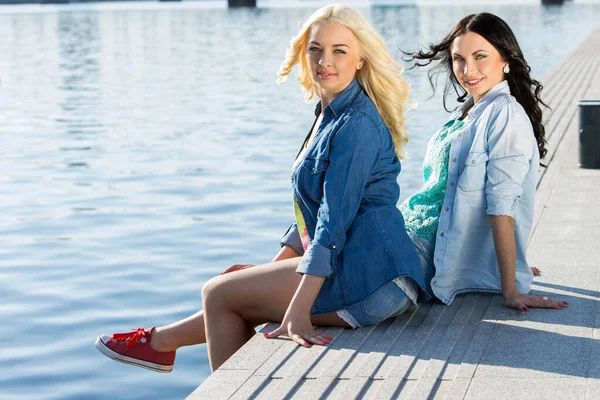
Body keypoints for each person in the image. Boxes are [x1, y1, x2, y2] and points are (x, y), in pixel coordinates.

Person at [95, 4, 429, 374]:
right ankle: (162, 345)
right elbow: (312, 211)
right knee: (229, 285)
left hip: (374, 281)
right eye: (316, 49)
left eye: (339, 51)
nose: (324, 61)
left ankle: (162, 344)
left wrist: (298, 310)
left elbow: (333, 224)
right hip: (361, 265)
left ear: (361, 60)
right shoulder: (329, 114)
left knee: (218, 294)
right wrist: (265, 274)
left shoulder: (356, 124)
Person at [400, 12, 568, 312]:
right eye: (459, 59)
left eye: (480, 57)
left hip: (427, 249)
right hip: (409, 228)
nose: (468, 70)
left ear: (505, 59)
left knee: (321, 267)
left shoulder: (504, 114)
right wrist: (510, 264)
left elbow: (502, 205)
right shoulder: (471, 109)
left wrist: (510, 289)